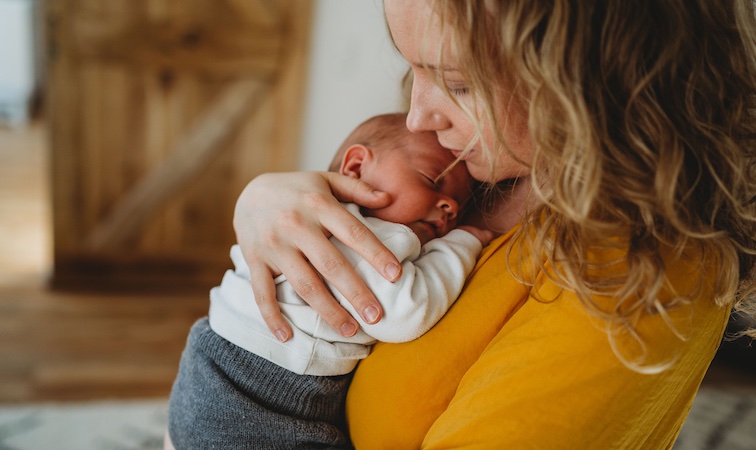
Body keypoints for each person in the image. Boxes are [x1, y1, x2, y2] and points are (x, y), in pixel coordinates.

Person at [230, 0, 756, 448]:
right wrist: (266, 201)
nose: (417, 117)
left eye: (457, 84)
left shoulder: (643, 266)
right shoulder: (472, 172)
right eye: (415, 70)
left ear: (585, 80)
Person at [164, 113, 494, 449]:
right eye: (430, 180)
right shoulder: (367, 234)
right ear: (355, 168)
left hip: (210, 364)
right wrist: (463, 241)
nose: (450, 206)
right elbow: (405, 313)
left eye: (460, 207)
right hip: (262, 392)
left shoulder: (301, 215)